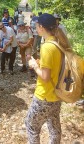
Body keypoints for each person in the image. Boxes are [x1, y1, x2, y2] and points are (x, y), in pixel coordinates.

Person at [25, 13, 72, 144]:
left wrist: (34, 65)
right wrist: (41, 63)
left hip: (44, 96)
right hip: (57, 95)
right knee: (54, 127)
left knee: (31, 126)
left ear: (41, 27)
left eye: (36, 25)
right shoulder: (59, 44)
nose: (35, 28)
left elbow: (45, 77)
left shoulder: (47, 47)